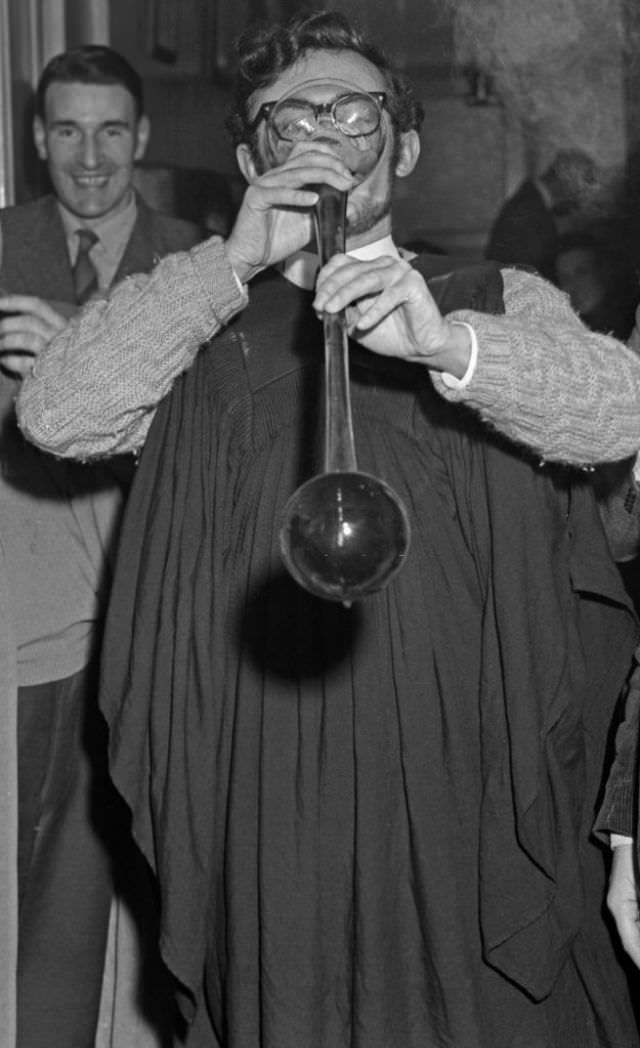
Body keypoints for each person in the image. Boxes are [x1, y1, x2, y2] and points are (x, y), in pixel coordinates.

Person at [14, 11, 640, 1047]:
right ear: (248, 154)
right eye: (286, 117)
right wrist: (233, 259)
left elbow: (621, 408)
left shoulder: (488, 297)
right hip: (270, 792)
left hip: (472, 783)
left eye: (353, 111)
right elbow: (59, 413)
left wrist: (449, 347)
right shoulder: (202, 329)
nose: (321, 132)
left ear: (403, 144)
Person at [0, 44, 204, 1047]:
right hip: (26, 611)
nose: (91, 158)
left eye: (112, 131)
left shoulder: (199, 263)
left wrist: (82, 345)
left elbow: (223, 440)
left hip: (154, 604)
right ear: (39, 142)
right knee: (29, 867)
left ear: (143, 138)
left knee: (144, 865)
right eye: (68, 131)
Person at [485, 148, 598, 278]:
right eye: (582, 185)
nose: (581, 196)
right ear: (567, 178)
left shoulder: (533, 201)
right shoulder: (528, 208)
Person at [551, 230, 638, 341]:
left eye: (581, 272)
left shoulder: (633, 319)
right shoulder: (566, 333)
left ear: (603, 272)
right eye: (565, 278)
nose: (572, 285)